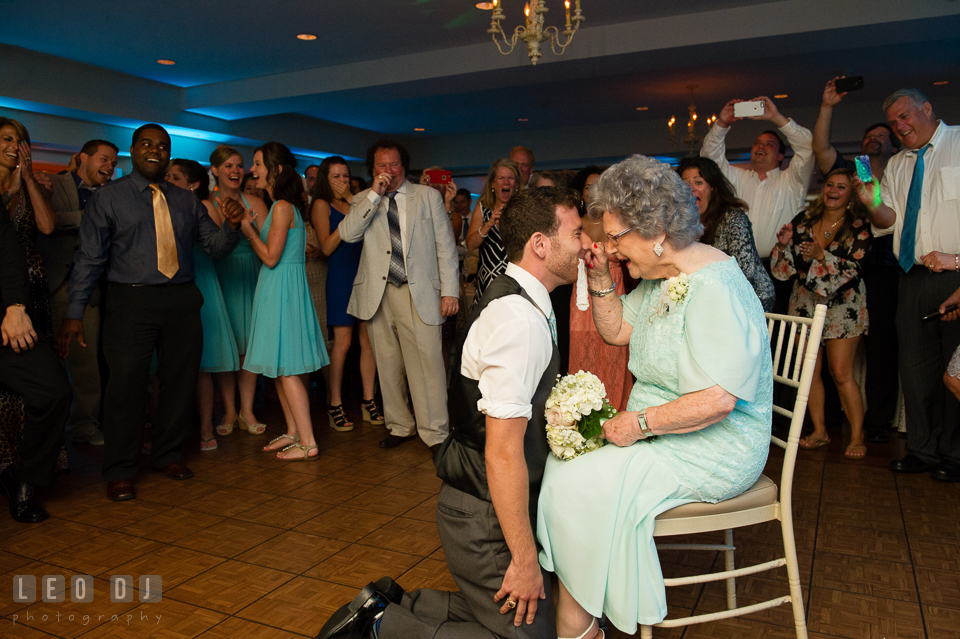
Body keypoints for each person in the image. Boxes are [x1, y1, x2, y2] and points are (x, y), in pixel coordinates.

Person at [317, 187, 587, 639]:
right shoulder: (518, 320)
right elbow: (501, 455)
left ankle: (397, 605)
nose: (586, 243)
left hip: (481, 502)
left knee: (510, 617)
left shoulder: (525, 300)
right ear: (541, 243)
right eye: (576, 232)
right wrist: (523, 560)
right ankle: (382, 627)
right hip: (482, 514)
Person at [537, 155, 772, 637]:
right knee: (564, 468)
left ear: (658, 228)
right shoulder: (664, 275)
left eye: (616, 238)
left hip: (718, 444)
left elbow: (719, 400)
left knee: (583, 482)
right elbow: (618, 330)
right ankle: (584, 617)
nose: (612, 248)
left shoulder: (716, 286)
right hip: (665, 428)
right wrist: (603, 277)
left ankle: (579, 623)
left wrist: (638, 424)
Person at [58, 123, 244, 502]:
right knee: (125, 386)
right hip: (130, 301)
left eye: (163, 146)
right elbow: (89, 259)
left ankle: (167, 455)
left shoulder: (186, 200)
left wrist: (234, 225)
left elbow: (216, 247)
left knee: (179, 381)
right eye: (147, 144)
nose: (155, 150)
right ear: (133, 149)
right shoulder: (109, 198)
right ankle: (121, 469)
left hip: (181, 300)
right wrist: (74, 311)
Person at [855, 88, 960, 481]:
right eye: (894, 122)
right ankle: (922, 449)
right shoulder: (898, 164)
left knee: (956, 369)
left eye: (904, 116)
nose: (899, 126)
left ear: (927, 109)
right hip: (912, 277)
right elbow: (889, 223)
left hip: (956, 274)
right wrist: (870, 202)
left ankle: (954, 453)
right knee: (915, 369)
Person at [337, 140, 459, 451]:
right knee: (387, 363)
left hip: (419, 291)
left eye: (394, 165)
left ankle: (435, 432)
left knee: (428, 363)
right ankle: (399, 425)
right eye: (382, 165)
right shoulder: (363, 199)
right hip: (378, 294)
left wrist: (450, 291)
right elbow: (349, 234)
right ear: (373, 169)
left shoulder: (427, 197)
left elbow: (445, 247)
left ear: (403, 167)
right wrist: (375, 195)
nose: (388, 171)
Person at [813, 76, 901, 442]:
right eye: (869, 136)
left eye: (882, 135)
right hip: (846, 270)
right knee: (834, 356)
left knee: (882, 347)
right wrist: (828, 106)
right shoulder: (858, 173)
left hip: (888, 267)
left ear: (894, 145)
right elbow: (821, 149)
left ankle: (879, 423)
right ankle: (831, 420)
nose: (873, 139)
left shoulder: (899, 171)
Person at [230, 142, 328, 460]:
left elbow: (271, 258)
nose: (252, 170)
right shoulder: (281, 207)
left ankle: (308, 442)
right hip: (279, 289)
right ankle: (293, 431)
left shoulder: (283, 206)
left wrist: (247, 231)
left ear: (276, 170)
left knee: (287, 370)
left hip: (282, 290)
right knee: (278, 369)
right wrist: (255, 225)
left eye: (258, 164)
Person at [772, 168, 871, 458]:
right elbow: (784, 270)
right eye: (830, 184)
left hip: (843, 306)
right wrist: (781, 246)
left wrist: (820, 256)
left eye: (842, 186)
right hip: (804, 301)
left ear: (851, 195)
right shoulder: (803, 222)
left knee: (840, 373)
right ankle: (819, 431)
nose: (833, 190)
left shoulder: (859, 225)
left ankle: (856, 436)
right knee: (808, 371)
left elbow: (855, 269)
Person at [0, 159, 72, 524]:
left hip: (7, 323)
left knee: (54, 391)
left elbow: (10, 256)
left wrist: (15, 307)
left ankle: (23, 478)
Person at [700, 96, 815, 313]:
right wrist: (722, 124)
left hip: (781, 268)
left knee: (777, 329)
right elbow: (709, 160)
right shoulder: (736, 178)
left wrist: (776, 117)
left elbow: (807, 148)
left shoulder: (792, 181)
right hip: (738, 267)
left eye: (769, 144)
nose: (761, 147)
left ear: (781, 156)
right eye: (757, 144)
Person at [38, 139, 117, 447]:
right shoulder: (51, 184)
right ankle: (51, 432)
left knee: (86, 365)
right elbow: (43, 222)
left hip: (90, 291)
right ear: (83, 158)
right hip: (51, 285)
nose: (109, 166)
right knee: (48, 364)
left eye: (113, 162)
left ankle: (84, 424)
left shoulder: (112, 196)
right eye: (104, 159)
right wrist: (84, 218)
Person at [0, 117, 62, 477]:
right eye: (7, 139)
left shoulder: (34, 184)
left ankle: (25, 470)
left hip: (30, 290)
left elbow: (48, 227)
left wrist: (27, 179)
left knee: (41, 385)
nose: (14, 146)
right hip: (6, 293)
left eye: (20, 140)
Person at [165, 159, 239, 452]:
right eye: (167, 176)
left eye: (175, 176)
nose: (168, 180)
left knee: (203, 365)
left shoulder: (203, 207)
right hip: (172, 286)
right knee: (168, 366)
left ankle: (207, 428)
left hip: (201, 281)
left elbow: (218, 246)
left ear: (194, 184)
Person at [310, 156, 381, 432]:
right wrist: (350, 219)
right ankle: (334, 403)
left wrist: (353, 200)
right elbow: (326, 247)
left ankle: (368, 400)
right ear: (326, 179)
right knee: (342, 343)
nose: (341, 181)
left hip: (363, 273)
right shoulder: (320, 205)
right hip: (340, 275)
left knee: (369, 341)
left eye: (344, 176)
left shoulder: (356, 201)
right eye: (335, 176)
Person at [208, 146, 270, 438]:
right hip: (224, 276)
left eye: (239, 166)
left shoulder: (256, 201)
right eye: (229, 166)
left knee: (248, 349)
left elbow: (271, 243)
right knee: (226, 347)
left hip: (252, 275)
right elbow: (214, 245)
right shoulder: (208, 204)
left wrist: (251, 226)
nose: (235, 171)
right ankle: (229, 410)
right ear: (215, 171)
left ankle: (247, 409)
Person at [567, 165, 633, 411]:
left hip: (614, 284)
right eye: (588, 187)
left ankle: (616, 405)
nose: (593, 191)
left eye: (598, 186)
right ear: (581, 192)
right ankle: (582, 409)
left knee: (614, 346)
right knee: (583, 346)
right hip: (581, 288)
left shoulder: (617, 222)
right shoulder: (576, 223)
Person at [678, 157, 775, 311]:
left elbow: (746, 271)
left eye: (698, 182)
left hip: (751, 299)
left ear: (713, 188)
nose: (691, 188)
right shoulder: (683, 224)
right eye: (685, 183)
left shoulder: (733, 218)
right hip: (712, 300)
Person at [465, 159, 521, 302]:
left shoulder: (523, 210)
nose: (506, 182)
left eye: (511, 178)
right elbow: (470, 244)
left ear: (516, 185)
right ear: (492, 184)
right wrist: (488, 224)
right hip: (488, 283)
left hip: (516, 281)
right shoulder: (482, 208)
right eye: (501, 178)